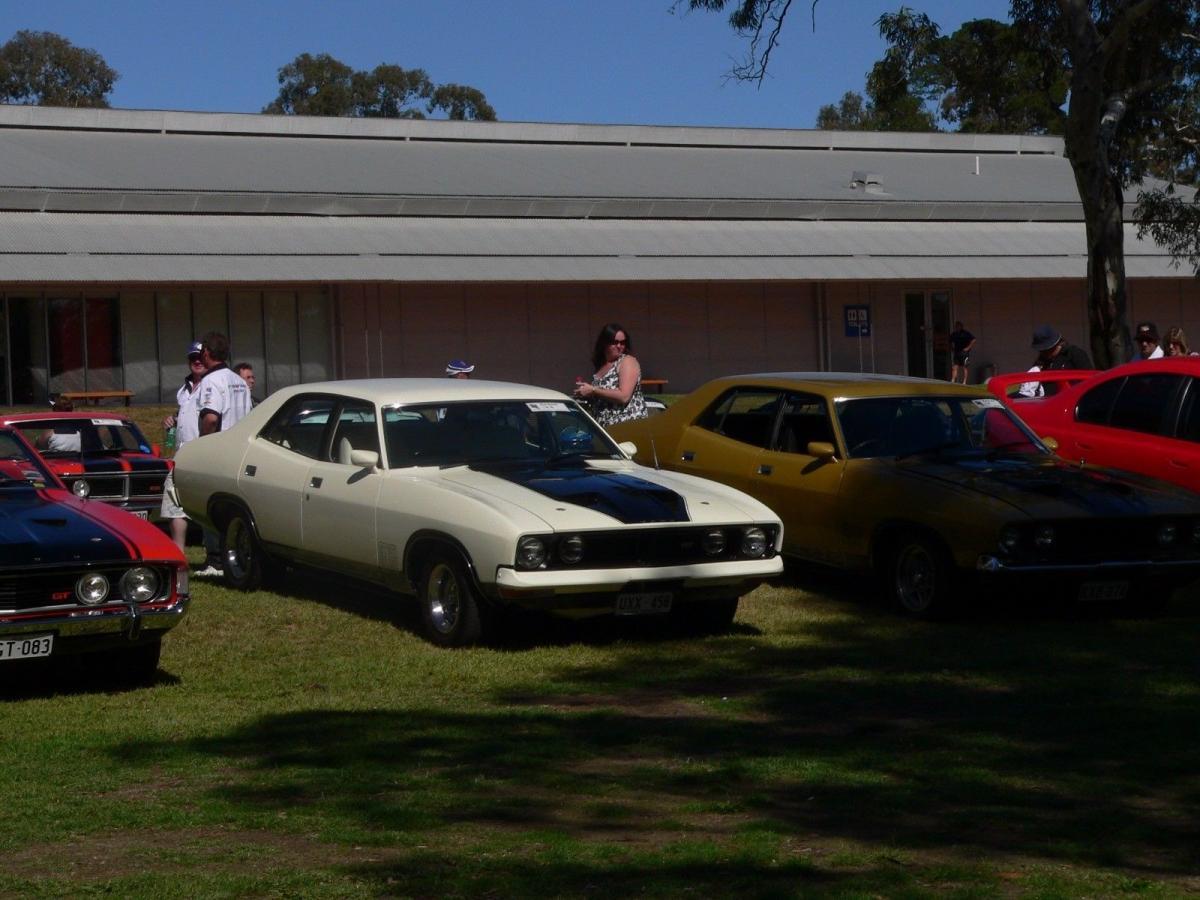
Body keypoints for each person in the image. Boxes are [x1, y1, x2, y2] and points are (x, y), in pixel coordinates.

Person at [193, 333, 253, 576]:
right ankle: (236, 555)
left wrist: (205, 444)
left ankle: (215, 560)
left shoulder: (211, 381)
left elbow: (210, 417)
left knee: (212, 505)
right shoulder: (238, 381)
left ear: (206, 352)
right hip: (240, 450)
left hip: (219, 452)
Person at [160, 340, 208, 554]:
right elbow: (186, 416)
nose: (196, 362)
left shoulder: (212, 385)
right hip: (181, 456)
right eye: (192, 358)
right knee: (173, 502)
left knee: (207, 506)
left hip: (204, 455)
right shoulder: (184, 389)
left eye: (200, 357)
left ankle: (214, 558)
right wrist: (172, 419)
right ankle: (178, 552)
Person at [573, 322, 648, 426]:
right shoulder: (601, 365)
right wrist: (586, 394)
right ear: (604, 343)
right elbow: (605, 395)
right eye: (614, 342)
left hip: (626, 426)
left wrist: (594, 390)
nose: (619, 346)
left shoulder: (627, 361)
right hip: (606, 428)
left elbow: (624, 396)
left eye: (622, 342)